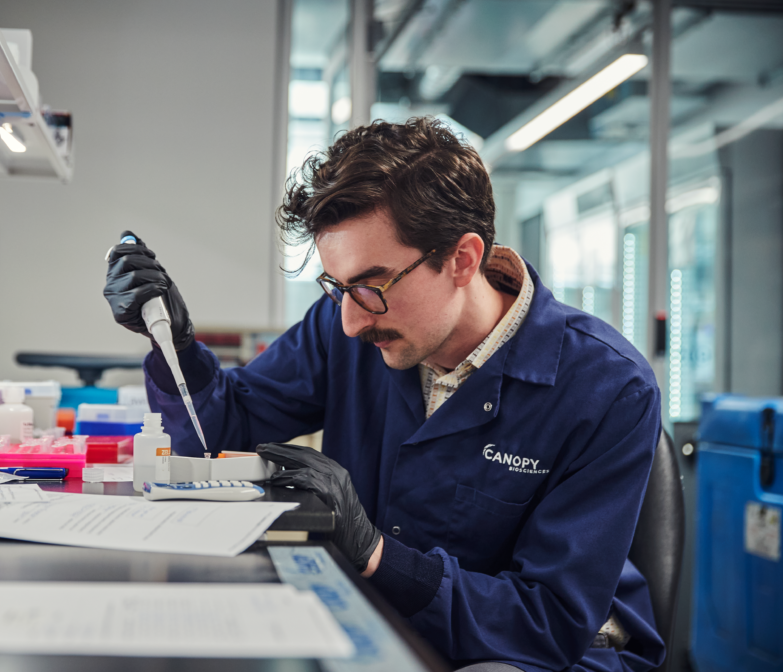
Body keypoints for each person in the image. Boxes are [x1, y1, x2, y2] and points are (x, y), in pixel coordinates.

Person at [104, 117, 664, 672]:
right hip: (389, 616)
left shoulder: (608, 388)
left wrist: (374, 553)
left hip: (550, 655)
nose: (349, 321)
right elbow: (222, 431)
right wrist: (174, 346)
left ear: (462, 259)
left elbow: (547, 622)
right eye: (336, 288)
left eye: (371, 286)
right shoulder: (349, 327)